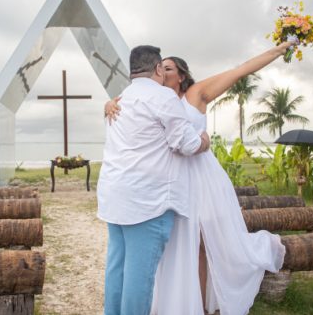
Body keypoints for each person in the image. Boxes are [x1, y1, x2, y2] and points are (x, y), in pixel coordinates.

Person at [105, 42, 293, 314]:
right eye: (162, 66)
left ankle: (201, 305)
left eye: (169, 68)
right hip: (169, 182)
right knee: (169, 250)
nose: (164, 71)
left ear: (181, 76)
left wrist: (277, 51)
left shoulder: (196, 94)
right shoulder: (145, 97)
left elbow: (239, 71)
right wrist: (108, 104)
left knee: (202, 244)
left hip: (201, 180)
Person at [97, 45, 211, 315]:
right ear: (158, 68)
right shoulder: (163, 97)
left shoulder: (121, 99)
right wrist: (204, 142)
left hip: (115, 196)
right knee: (140, 278)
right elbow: (184, 143)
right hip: (147, 201)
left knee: (118, 270)